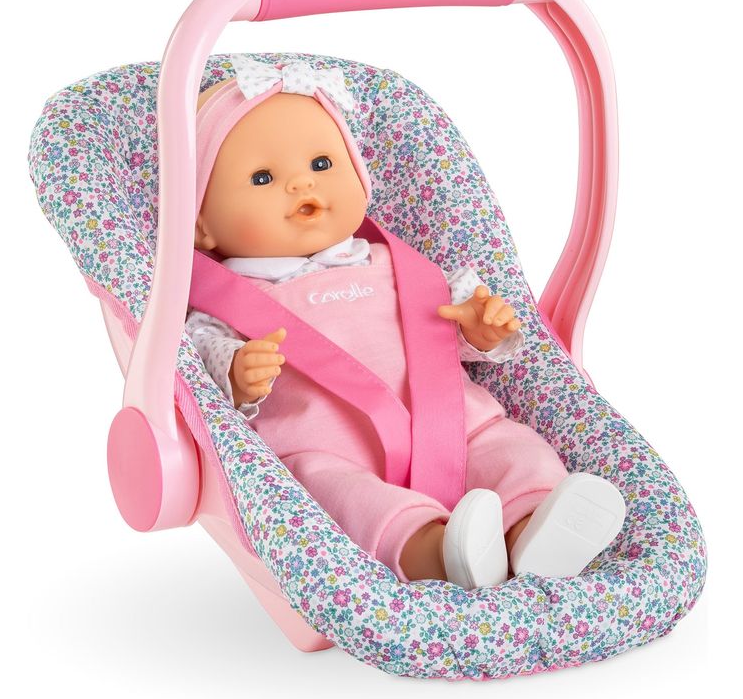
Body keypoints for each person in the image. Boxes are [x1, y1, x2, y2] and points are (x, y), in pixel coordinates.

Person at [186, 54, 626, 589]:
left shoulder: (401, 266)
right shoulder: (224, 304)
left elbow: (450, 330)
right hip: (328, 450)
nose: (301, 185)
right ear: (202, 226)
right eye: (263, 177)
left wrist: (480, 328)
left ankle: (533, 530)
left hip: (455, 426)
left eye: (322, 164)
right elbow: (201, 370)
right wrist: (238, 372)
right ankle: (438, 554)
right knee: (334, 496)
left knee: (513, 450)